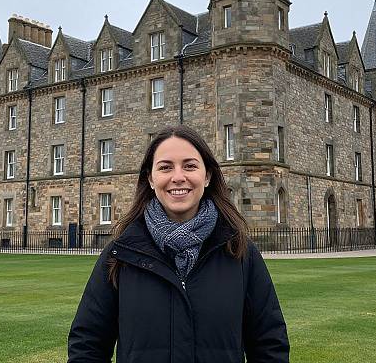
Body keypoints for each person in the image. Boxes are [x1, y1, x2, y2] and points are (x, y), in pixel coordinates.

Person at [68, 125, 289, 363]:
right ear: (151, 179)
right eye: (165, 167)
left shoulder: (240, 252)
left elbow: (269, 344)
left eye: (190, 165)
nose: (178, 177)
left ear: (207, 176)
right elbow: (87, 345)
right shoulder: (120, 254)